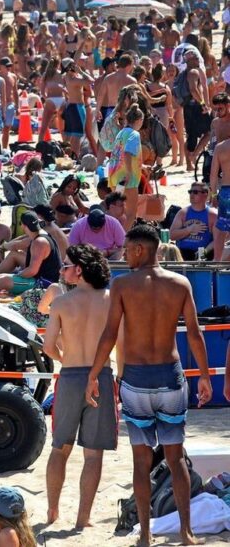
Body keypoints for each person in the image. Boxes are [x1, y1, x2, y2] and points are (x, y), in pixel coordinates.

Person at [86, 225, 213, 547]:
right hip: (171, 378)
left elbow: (110, 333)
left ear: (140, 250)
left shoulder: (123, 285)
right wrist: (204, 375)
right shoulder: (179, 283)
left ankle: (145, 534)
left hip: (137, 381)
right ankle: (186, 533)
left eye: (127, 250)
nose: (124, 255)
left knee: (141, 462)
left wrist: (94, 374)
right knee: (176, 458)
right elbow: (194, 333)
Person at [42, 244, 117, 528]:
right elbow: (120, 343)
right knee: (93, 454)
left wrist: (66, 357)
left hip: (71, 376)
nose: (62, 271)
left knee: (60, 447)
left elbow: (48, 346)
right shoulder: (111, 300)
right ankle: (83, 518)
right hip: (102, 375)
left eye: (66, 266)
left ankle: (52, 510)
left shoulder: (62, 302)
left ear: (79, 269)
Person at [0, 211, 61, 295]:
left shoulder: (39, 242)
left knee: (3, 280)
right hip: (44, 277)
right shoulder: (40, 234)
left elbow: (32, 271)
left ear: (23, 226)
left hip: (45, 284)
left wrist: (15, 276)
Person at [171, 182, 218, 260]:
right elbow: (172, 235)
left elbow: (218, 239)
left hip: (204, 254)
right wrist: (190, 229)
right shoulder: (183, 213)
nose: (191, 195)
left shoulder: (212, 215)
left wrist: (205, 251)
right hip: (183, 253)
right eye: (190, 192)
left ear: (205, 194)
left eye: (195, 192)